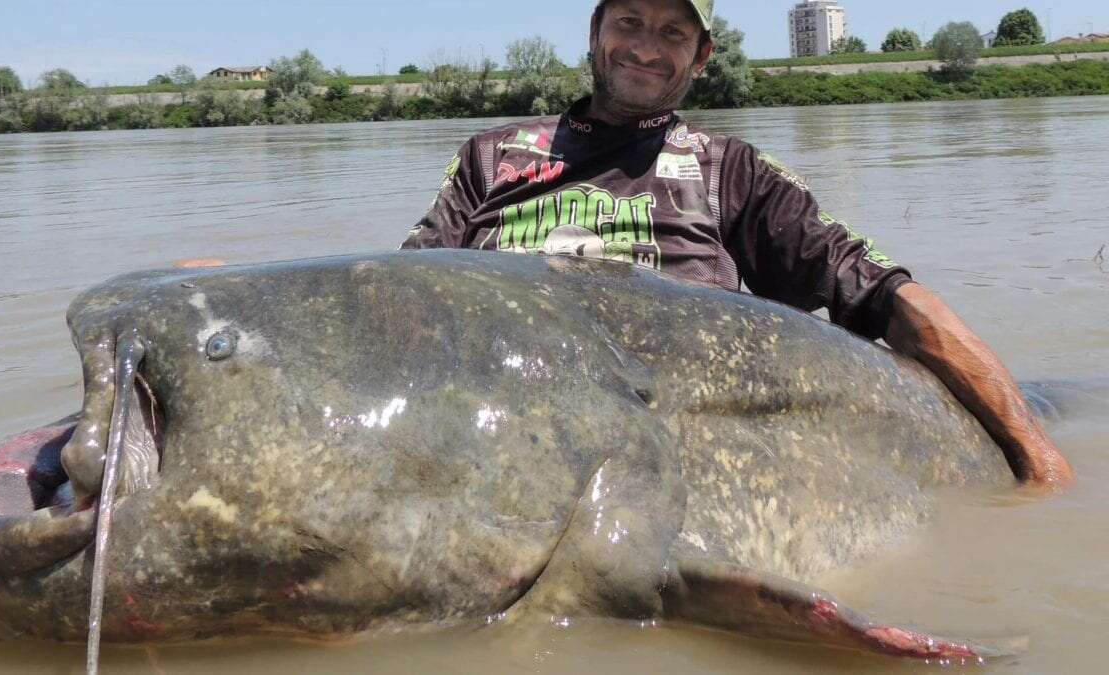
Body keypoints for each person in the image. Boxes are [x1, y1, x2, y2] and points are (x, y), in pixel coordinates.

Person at [400, 0, 1074, 487]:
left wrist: (1030, 443)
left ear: (701, 55)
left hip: (670, 444)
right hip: (496, 428)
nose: (645, 45)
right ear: (595, 32)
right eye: (628, 21)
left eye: (672, 30)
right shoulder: (492, 157)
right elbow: (396, 301)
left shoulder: (729, 169)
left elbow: (881, 292)